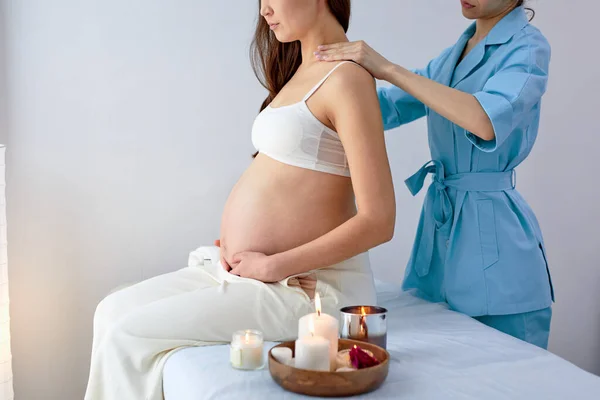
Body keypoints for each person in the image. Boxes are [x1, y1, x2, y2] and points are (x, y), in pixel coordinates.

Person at [84, 0, 395, 398]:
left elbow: (379, 219)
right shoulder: (300, 73)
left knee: (129, 333)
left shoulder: (347, 78)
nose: (264, 10)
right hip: (258, 272)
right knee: (111, 311)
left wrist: (273, 263)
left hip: (310, 288)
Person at [314, 0, 554, 349]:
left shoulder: (529, 47)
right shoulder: (452, 56)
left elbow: (485, 120)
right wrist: (315, 94)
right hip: (441, 233)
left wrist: (388, 68)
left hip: (499, 251)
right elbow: (384, 108)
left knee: (511, 375)